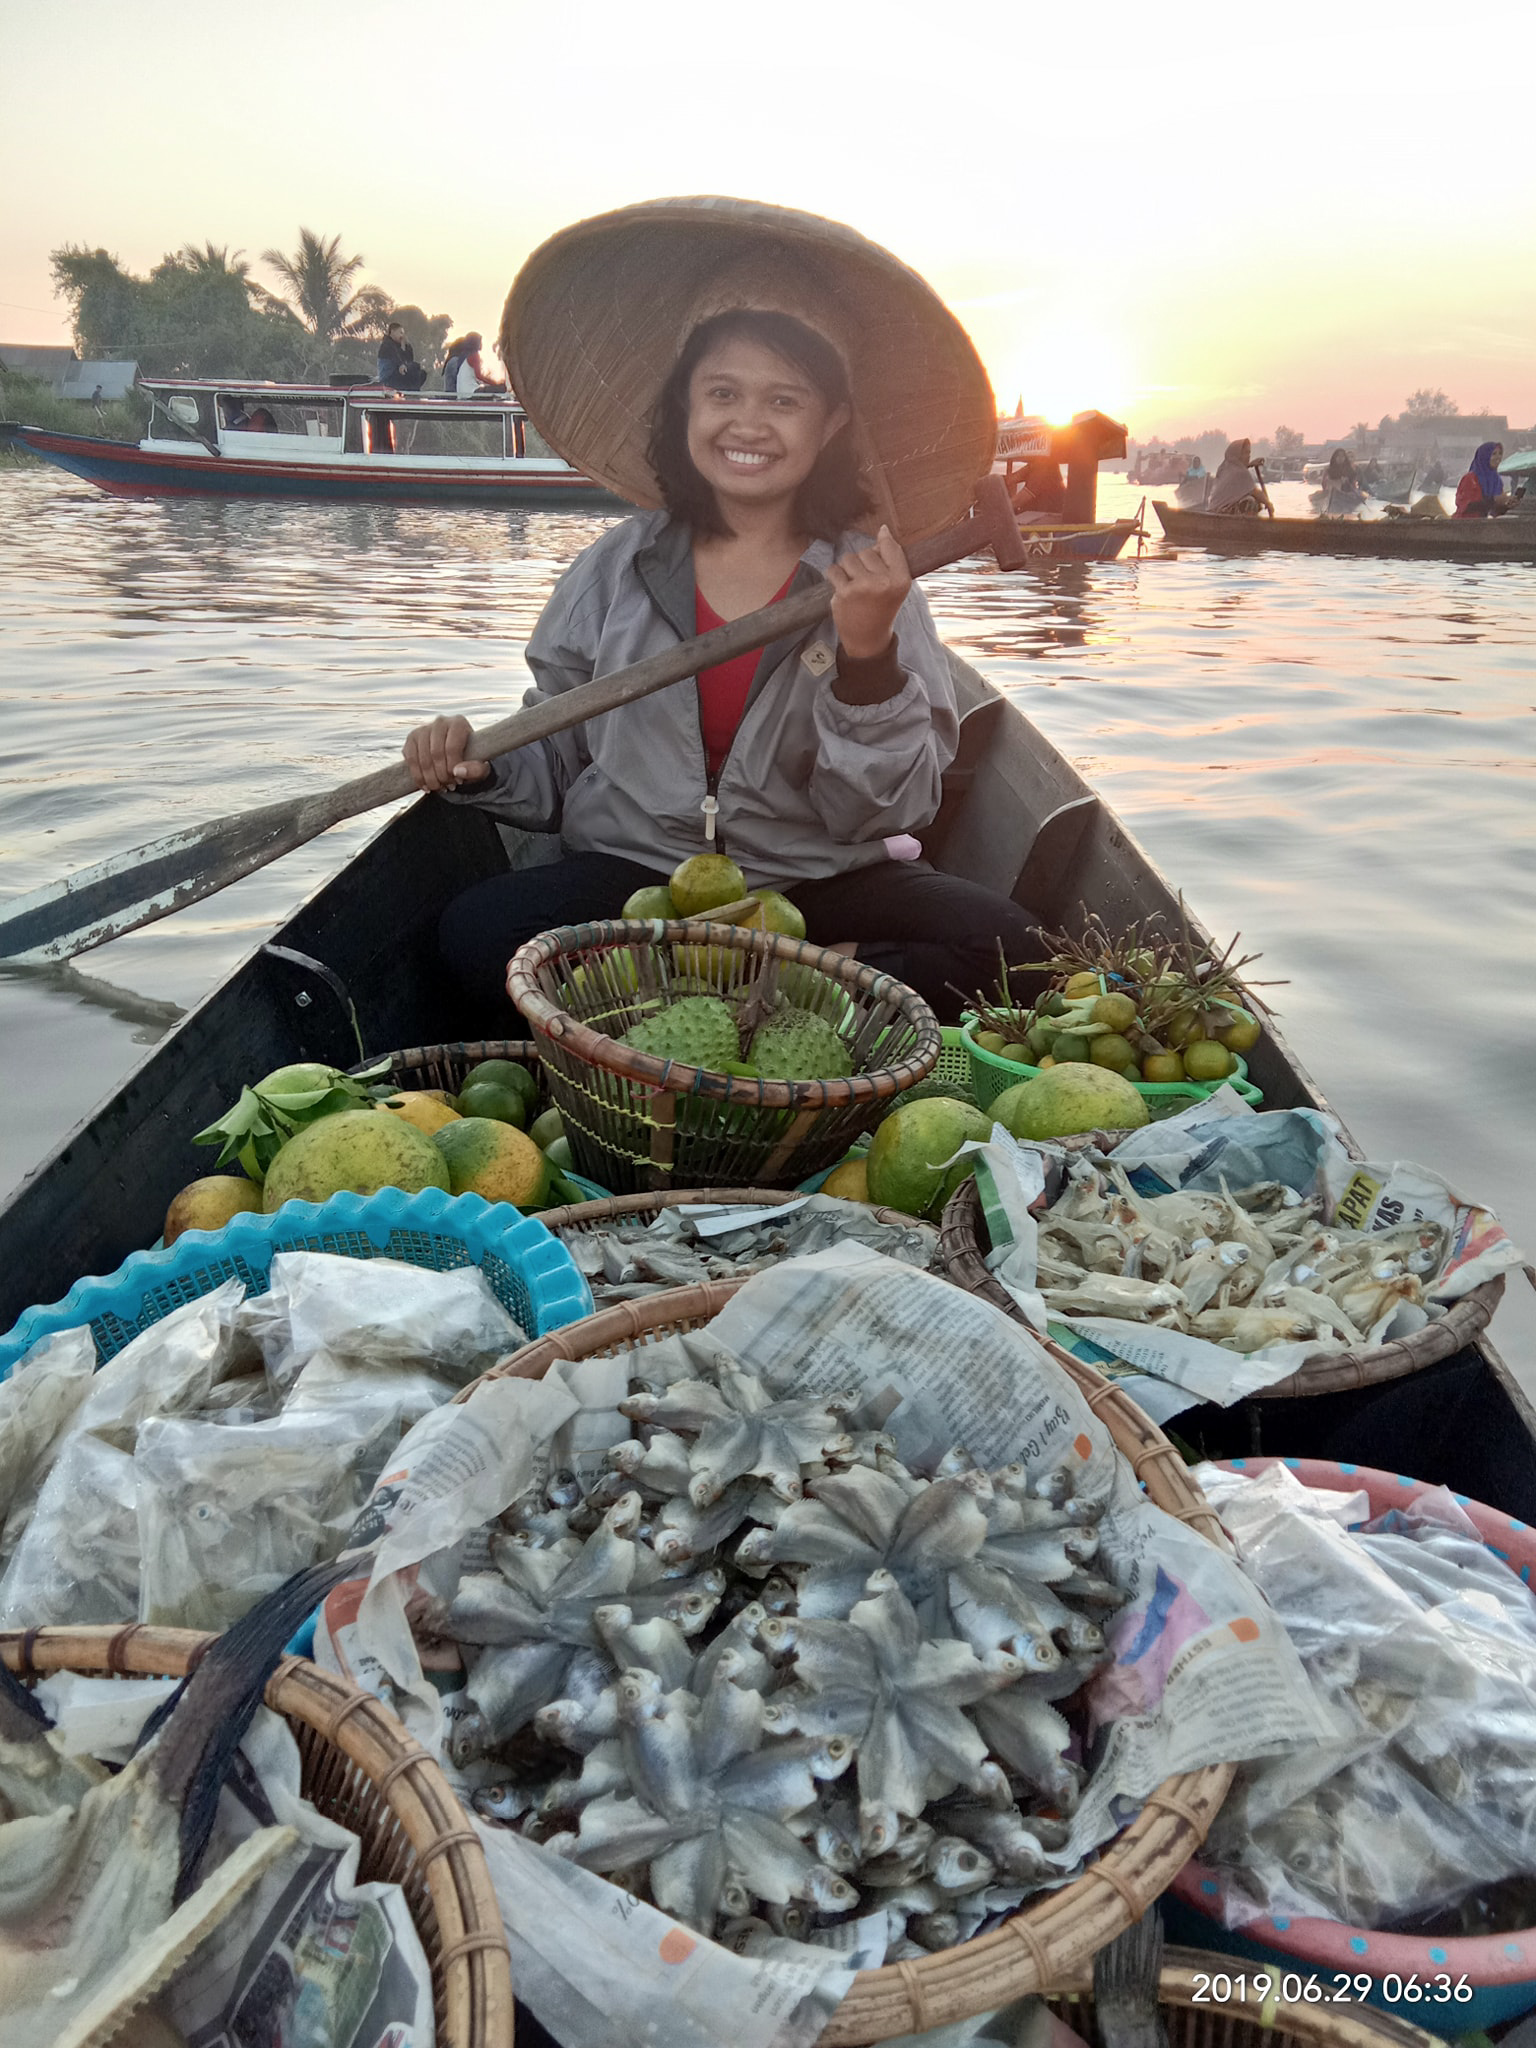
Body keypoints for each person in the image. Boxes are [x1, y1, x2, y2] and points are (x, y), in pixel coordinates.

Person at [401, 207, 1046, 1026]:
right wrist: (479, 766)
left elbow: (887, 814)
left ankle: (699, 995)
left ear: (832, 421)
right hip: (639, 882)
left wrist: (867, 657)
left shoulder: (875, 580)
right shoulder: (615, 569)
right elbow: (557, 769)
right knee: (472, 934)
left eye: (785, 399)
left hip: (813, 884)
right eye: (723, 393)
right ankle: (785, 993)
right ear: (685, 408)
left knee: (1020, 954)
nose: (749, 423)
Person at [1206, 438, 1271, 515]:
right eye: (1245, 453)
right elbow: (1255, 492)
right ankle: (1247, 526)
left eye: (1249, 453)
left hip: (1213, 509)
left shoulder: (1224, 468)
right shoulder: (1241, 473)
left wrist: (1250, 465)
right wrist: (1268, 503)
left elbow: (1235, 473)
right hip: (1223, 512)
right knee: (1251, 501)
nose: (1248, 456)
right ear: (1237, 455)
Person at [441, 331, 506, 397]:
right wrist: (496, 384)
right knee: (502, 388)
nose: (482, 344)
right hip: (468, 393)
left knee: (493, 389)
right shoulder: (473, 356)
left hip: (463, 393)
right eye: (480, 341)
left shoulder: (463, 358)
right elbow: (479, 376)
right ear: (476, 343)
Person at [1454, 442, 1509, 519]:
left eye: (1500, 453)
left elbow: (1495, 512)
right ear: (1484, 456)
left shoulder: (1496, 481)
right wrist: (1494, 499)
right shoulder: (1470, 479)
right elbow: (1467, 506)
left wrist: (1507, 505)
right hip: (1464, 524)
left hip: (1482, 524)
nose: (1498, 457)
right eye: (1494, 454)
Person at [1010, 457, 1066, 521]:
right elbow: (1011, 479)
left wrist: (1000, 508)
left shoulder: (1044, 465)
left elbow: (1019, 500)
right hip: (1038, 515)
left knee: (1012, 524)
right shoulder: (1034, 465)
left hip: (1048, 518)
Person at [377, 321, 426, 391]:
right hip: (388, 377)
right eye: (400, 333)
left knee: (421, 372)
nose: (402, 336)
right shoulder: (387, 344)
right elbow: (394, 356)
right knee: (414, 368)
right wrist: (401, 365)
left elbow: (409, 360)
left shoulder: (397, 346)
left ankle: (412, 391)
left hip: (395, 374)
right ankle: (413, 391)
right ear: (392, 331)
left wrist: (407, 345)